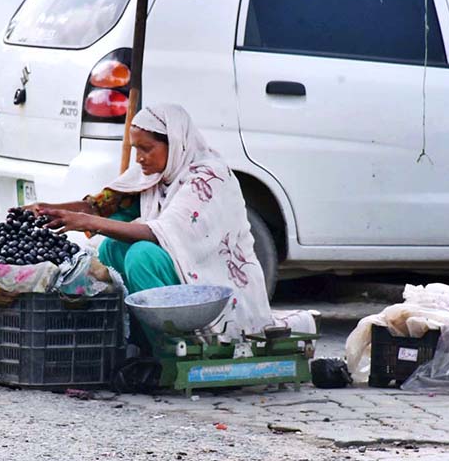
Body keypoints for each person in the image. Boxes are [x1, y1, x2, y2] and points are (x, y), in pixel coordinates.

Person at [27, 104, 272, 341]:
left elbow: (158, 233)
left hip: (214, 292)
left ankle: (173, 349)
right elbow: (99, 206)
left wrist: (85, 221)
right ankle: (145, 341)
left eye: (146, 149)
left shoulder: (209, 178)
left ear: (176, 143)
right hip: (176, 275)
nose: (139, 159)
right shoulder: (152, 175)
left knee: (141, 256)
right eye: (135, 149)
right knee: (111, 248)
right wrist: (48, 209)